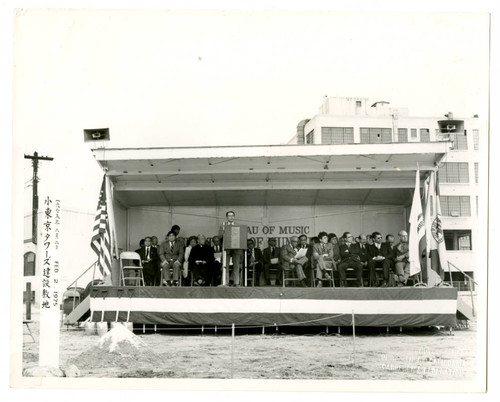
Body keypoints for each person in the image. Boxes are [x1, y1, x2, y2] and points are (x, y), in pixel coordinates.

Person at [218, 210, 244, 286]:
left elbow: (241, 236)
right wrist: (223, 232)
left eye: (232, 215)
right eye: (229, 216)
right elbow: (219, 236)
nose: (231, 217)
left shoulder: (238, 225)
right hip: (226, 247)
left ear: (234, 217)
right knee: (225, 265)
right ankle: (225, 282)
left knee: (236, 265)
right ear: (226, 217)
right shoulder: (223, 225)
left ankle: (236, 282)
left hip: (236, 248)